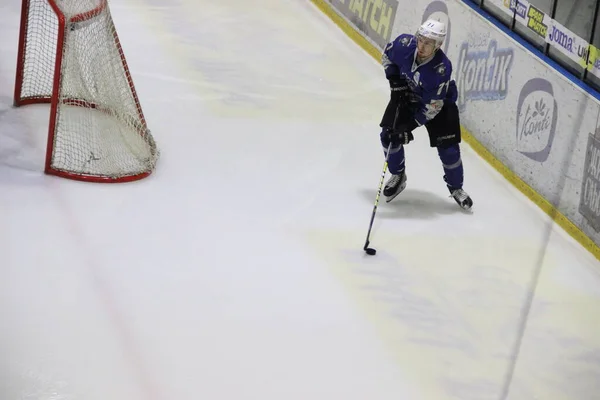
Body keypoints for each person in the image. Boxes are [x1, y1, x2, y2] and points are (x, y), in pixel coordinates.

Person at [378, 19, 473, 210]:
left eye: (428, 43)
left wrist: (409, 126)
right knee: (388, 136)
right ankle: (398, 175)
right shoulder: (404, 44)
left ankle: (456, 188)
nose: (421, 46)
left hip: (439, 104)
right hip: (408, 94)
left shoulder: (441, 68)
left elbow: (432, 108)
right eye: (420, 40)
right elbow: (387, 56)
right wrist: (394, 80)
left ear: (437, 45)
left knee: (449, 149)